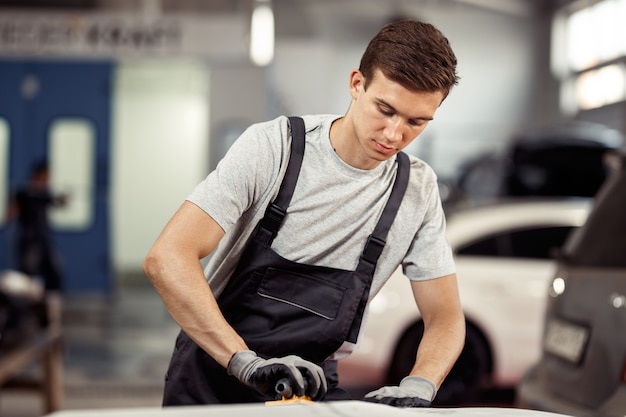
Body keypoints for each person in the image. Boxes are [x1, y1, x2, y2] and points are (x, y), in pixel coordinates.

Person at [143, 19, 465, 408]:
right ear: (357, 84)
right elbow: (167, 258)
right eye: (385, 109)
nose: (395, 134)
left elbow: (444, 316)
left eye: (416, 122)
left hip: (308, 391)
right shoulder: (274, 148)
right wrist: (245, 363)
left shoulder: (417, 189)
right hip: (212, 376)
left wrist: (420, 384)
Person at [9, 161, 67, 292]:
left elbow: (57, 202)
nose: (47, 180)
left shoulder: (45, 194)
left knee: (55, 274)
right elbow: (13, 211)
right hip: (30, 242)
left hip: (44, 241)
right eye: (45, 176)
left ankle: (50, 306)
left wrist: (62, 199)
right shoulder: (25, 193)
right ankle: (23, 307)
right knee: (27, 276)